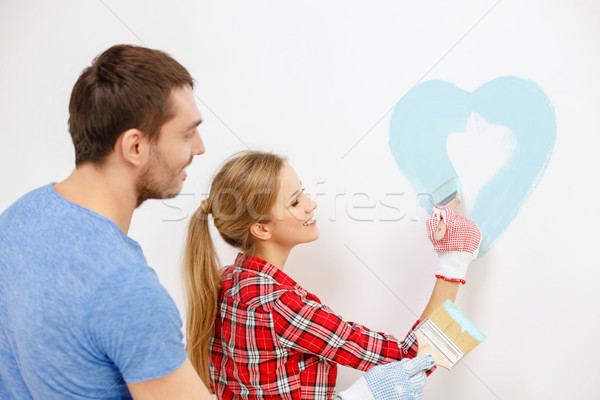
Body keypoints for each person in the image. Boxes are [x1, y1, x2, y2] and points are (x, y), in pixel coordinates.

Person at [0, 44, 441, 400]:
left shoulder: (17, 221)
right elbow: (415, 356)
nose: (201, 147)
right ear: (135, 146)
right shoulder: (127, 290)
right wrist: (454, 264)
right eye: (187, 133)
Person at [183, 151, 481, 399]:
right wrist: (453, 262)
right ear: (261, 229)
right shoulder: (280, 305)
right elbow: (412, 361)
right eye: (295, 201)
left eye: (303, 192)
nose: (311, 205)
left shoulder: (228, 281)